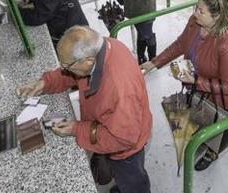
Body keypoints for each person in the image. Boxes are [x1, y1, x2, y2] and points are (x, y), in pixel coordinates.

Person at [17, 26, 152, 193]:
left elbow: (122, 139)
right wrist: (46, 83)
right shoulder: (100, 48)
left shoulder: (120, 88)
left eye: (67, 66)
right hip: (113, 123)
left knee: (132, 179)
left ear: (88, 61)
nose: (64, 69)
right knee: (122, 176)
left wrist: (77, 129)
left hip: (127, 148)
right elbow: (70, 74)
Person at [140, 0, 228, 171]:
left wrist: (196, 80)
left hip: (218, 99)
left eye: (200, 10)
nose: (194, 13)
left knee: (214, 129)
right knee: (197, 119)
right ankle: (199, 139)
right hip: (196, 88)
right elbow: (181, 44)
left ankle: (212, 153)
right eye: (196, 6)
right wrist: (154, 63)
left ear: (217, 16)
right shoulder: (195, 22)